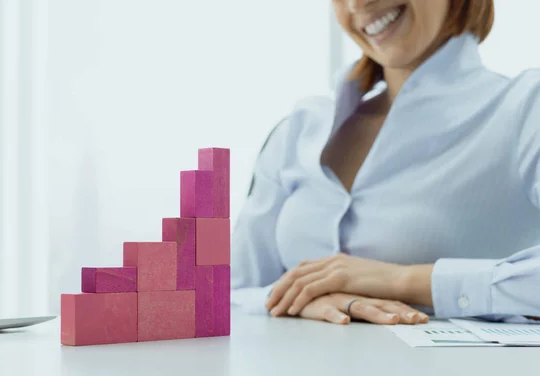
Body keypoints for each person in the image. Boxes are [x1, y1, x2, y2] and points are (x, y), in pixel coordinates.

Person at [231, 0, 540, 326]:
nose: (357, 3)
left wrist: (405, 281)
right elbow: (234, 290)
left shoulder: (525, 108)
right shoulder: (299, 129)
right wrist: (304, 298)